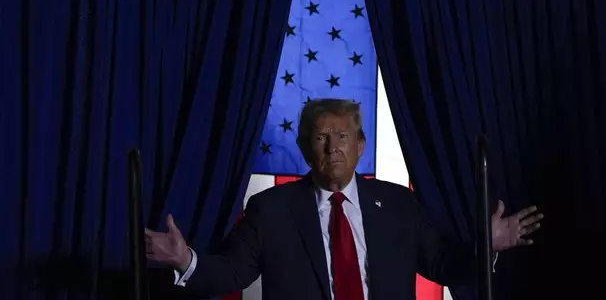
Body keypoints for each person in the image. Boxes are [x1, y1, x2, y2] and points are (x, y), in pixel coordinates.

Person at [145, 98, 543, 300]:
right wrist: (186, 261)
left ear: (360, 146)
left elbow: (443, 265)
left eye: (343, 137)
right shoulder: (271, 210)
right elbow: (233, 272)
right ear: (304, 147)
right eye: (321, 137)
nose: (332, 147)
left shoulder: (399, 205)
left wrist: (485, 246)